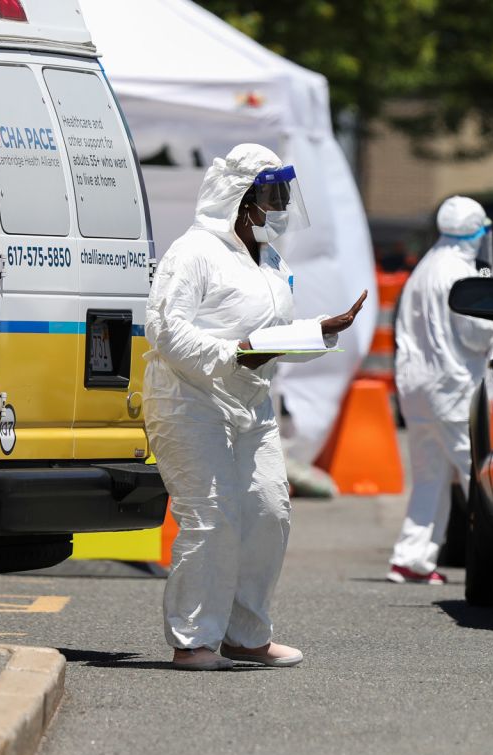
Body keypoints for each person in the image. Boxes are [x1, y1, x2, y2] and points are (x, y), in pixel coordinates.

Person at [144, 143, 366, 670]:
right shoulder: (193, 252)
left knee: (270, 510)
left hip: (251, 400)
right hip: (190, 400)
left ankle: (246, 636)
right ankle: (193, 641)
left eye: (285, 193)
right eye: (272, 194)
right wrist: (233, 355)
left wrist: (317, 330)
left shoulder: (267, 257)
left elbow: (266, 335)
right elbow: (165, 330)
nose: (281, 204)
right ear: (239, 198)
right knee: (211, 517)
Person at [388, 196, 493, 584]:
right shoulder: (460, 273)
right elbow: (473, 333)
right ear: (476, 230)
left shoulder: (424, 268)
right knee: (480, 476)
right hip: (452, 386)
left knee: (428, 476)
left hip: (416, 387)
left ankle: (411, 559)